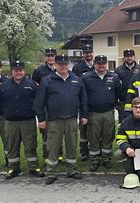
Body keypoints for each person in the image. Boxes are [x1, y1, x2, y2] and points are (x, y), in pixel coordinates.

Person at [34, 54, 89, 185]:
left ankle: (71, 169)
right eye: (60, 64)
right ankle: (52, 172)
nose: (63, 67)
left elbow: (83, 100)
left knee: (72, 145)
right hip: (54, 120)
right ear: (56, 65)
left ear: (68, 65)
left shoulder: (76, 80)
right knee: (53, 147)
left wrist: (84, 115)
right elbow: (39, 102)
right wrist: (41, 119)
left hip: (71, 119)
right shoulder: (47, 80)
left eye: (65, 64)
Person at [1, 60, 44, 179]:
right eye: (16, 70)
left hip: (28, 121)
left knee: (30, 145)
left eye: (21, 70)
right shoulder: (4, 85)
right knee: (12, 146)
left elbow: (38, 102)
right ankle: (13, 168)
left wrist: (39, 117)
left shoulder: (32, 85)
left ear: (24, 71)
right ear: (12, 71)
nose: (18, 72)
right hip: (11, 122)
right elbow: (0, 102)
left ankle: (33, 167)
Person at [82, 55, 122, 172]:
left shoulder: (113, 77)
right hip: (93, 113)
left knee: (108, 136)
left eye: (103, 63)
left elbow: (118, 93)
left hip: (109, 112)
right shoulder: (87, 77)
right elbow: (83, 96)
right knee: (93, 137)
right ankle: (94, 159)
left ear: (106, 64)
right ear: (95, 64)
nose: (101, 66)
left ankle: (106, 158)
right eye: (99, 64)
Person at [31, 47, 59, 160]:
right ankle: (47, 154)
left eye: (53, 55)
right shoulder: (39, 71)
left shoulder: (61, 69)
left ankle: (59, 154)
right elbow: (35, 88)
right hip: (46, 105)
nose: (50, 58)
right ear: (45, 57)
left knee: (58, 130)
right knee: (46, 132)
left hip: (58, 104)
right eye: (48, 56)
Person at [72, 44, 94, 161]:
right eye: (86, 53)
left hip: (94, 101)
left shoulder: (97, 65)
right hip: (82, 102)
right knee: (84, 129)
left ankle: (95, 150)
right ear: (83, 54)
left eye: (90, 52)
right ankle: (84, 152)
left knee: (95, 129)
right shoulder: (77, 68)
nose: (88, 54)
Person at [115, 49, 140, 123]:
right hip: (123, 101)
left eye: (131, 56)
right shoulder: (119, 70)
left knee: (138, 122)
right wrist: (117, 102)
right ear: (124, 58)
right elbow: (116, 87)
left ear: (134, 57)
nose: (129, 58)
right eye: (127, 56)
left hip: (138, 100)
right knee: (124, 122)